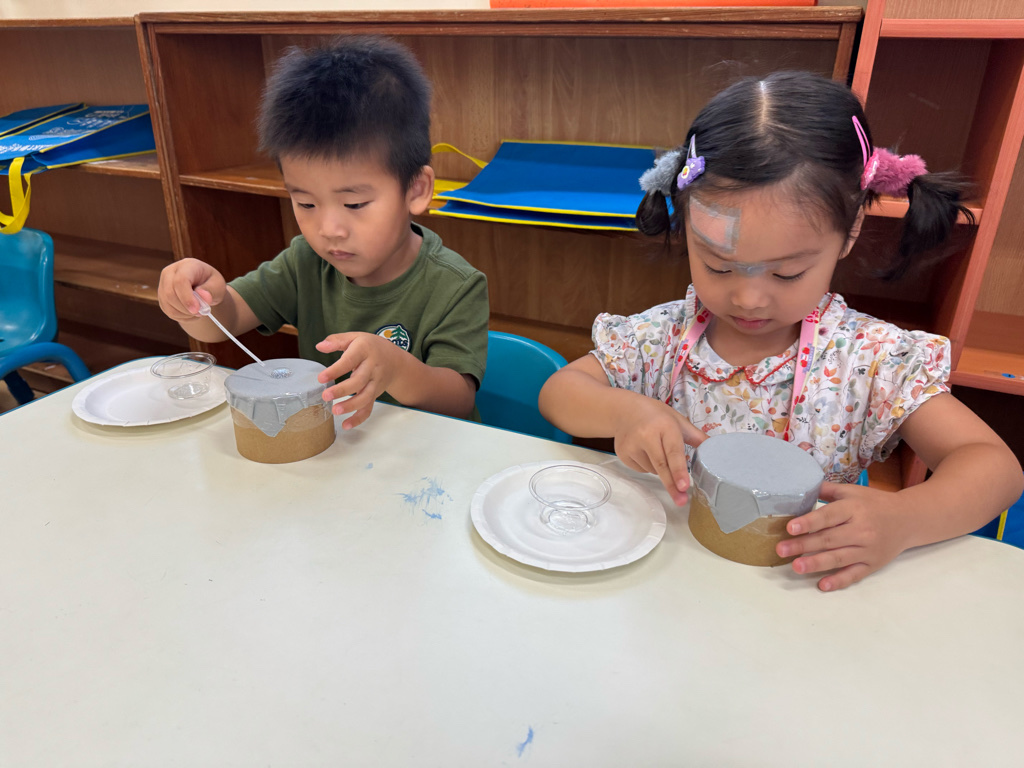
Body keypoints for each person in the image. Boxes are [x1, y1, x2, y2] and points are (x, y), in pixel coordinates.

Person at [539, 71, 1023, 592]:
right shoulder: (664, 337)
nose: (749, 298)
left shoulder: (869, 360)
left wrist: (905, 519)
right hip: (665, 581)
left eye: (787, 273)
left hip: (794, 593)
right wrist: (626, 412)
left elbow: (995, 467)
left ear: (850, 232)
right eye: (719, 266)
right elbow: (560, 392)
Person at [158, 36, 488, 428]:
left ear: (416, 190)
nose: (329, 230)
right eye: (306, 204)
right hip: (335, 448)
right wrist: (197, 301)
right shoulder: (305, 262)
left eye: (354, 204)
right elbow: (224, 323)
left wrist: (397, 369)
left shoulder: (455, 284)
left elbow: (458, 401)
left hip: (425, 453)